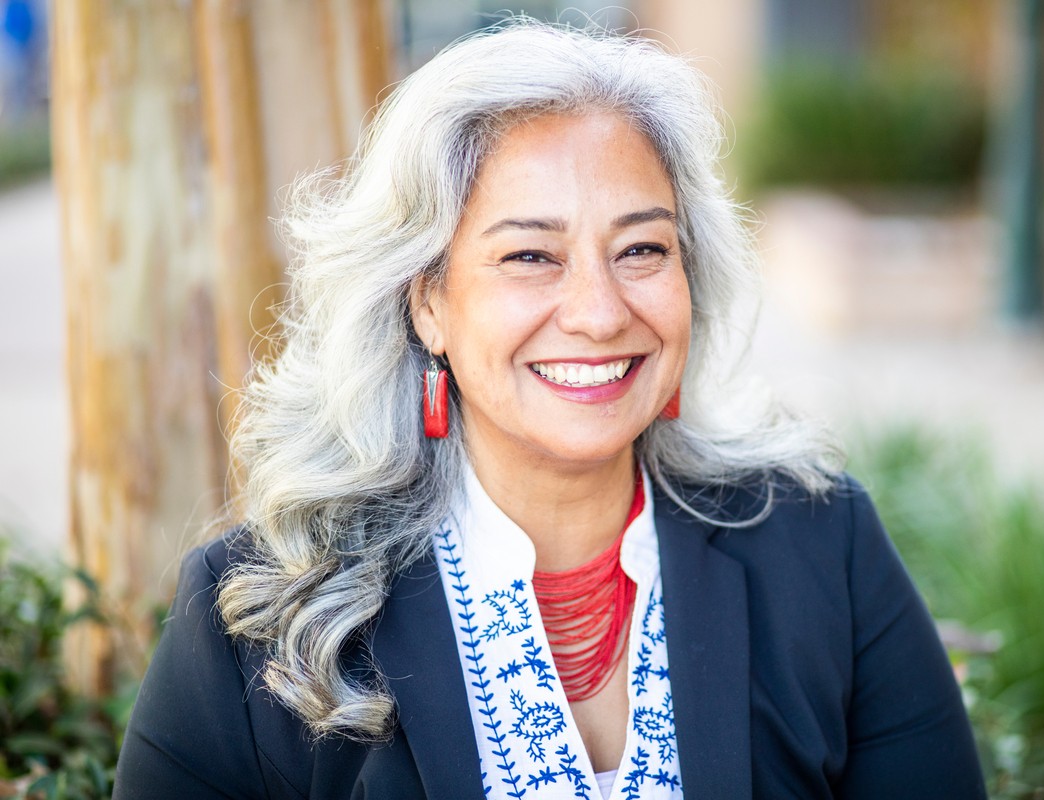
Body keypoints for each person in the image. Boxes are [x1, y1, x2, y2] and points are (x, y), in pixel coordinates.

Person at [113, 19, 985, 800]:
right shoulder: (261, 618)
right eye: (531, 256)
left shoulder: (823, 548)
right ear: (428, 302)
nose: (600, 313)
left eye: (641, 248)